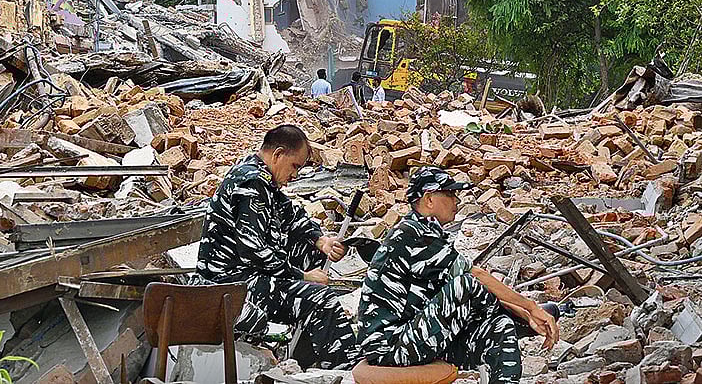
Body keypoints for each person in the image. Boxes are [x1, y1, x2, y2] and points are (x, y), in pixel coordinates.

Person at [357, 168, 559, 383]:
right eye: (450, 194)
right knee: (466, 285)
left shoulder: (428, 233)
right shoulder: (412, 233)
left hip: (415, 337)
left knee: (500, 326)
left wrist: (524, 312)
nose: (457, 200)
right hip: (391, 346)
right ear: (429, 199)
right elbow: (475, 277)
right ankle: (522, 322)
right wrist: (531, 308)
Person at [195, 125, 360, 368]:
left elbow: (289, 213)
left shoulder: (259, 175)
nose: (295, 175)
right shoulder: (251, 183)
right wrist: (302, 276)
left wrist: (321, 240)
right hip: (229, 285)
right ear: (278, 154)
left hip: (244, 275)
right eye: (294, 166)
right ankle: (348, 371)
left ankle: (304, 356)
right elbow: (253, 251)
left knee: (312, 251)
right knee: (321, 299)